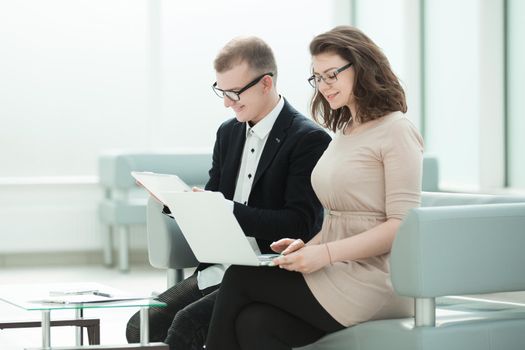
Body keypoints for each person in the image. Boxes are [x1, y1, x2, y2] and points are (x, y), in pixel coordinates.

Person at [204, 25, 424, 350]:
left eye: (331, 74)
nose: (323, 86)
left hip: (375, 281)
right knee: (256, 324)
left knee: (242, 276)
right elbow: (341, 218)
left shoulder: (396, 131)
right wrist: (306, 245)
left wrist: (326, 253)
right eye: (317, 77)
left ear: (363, 66)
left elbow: (401, 227)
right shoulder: (346, 132)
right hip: (337, 269)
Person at [126, 36, 332, 350]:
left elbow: (299, 224)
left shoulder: (308, 140)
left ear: (266, 83)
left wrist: (225, 209)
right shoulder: (228, 132)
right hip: (221, 268)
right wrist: (179, 202)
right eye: (221, 92)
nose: (227, 102)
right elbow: (215, 199)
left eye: (234, 92)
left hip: (267, 275)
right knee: (140, 325)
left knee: (185, 329)